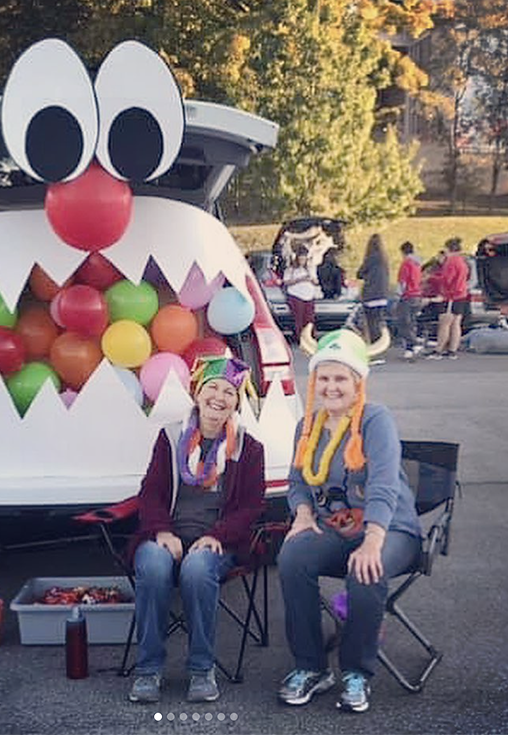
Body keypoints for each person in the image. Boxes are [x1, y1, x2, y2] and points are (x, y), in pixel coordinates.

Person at [276, 329, 421, 714]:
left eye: (340, 378)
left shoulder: (376, 420)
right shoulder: (306, 425)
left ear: (357, 383)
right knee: (293, 557)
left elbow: (384, 484)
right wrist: (303, 514)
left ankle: (356, 672)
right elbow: (297, 483)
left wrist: (373, 539)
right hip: (337, 526)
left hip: (391, 528)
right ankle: (310, 666)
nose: (331, 386)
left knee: (366, 568)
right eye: (324, 377)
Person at [127, 356, 265, 705]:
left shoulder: (248, 449)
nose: (219, 397)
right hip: (166, 535)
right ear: (197, 393)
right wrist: (161, 531)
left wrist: (217, 536)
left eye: (229, 392)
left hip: (217, 540)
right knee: (155, 566)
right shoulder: (171, 437)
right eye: (212, 387)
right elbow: (151, 492)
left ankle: (202, 669)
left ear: (238, 401)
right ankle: (148, 670)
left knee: (197, 568)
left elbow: (251, 506)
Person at [426, 237, 469, 360]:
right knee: (456, 323)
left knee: (444, 323)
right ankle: (452, 350)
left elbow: (447, 280)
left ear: (448, 248)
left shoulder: (451, 261)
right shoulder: (462, 261)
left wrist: (431, 278)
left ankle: (438, 350)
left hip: (451, 295)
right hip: (461, 295)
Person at [356, 234, 389, 344]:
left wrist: (366, 276)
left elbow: (359, 273)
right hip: (383, 294)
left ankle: (374, 344)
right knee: (379, 320)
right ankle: (380, 342)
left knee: (371, 322)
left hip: (371, 295)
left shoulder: (371, 258)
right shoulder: (384, 259)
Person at [282, 245, 318, 342]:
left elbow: (316, 281)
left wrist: (311, 278)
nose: (302, 261)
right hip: (296, 295)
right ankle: (300, 337)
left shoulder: (311, 268)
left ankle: (310, 337)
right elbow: (286, 282)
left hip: (309, 295)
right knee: (299, 318)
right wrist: (300, 279)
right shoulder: (291, 269)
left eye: (304, 259)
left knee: (309, 318)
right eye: (301, 259)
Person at [395, 242, 423, 360]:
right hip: (417, 295)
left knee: (403, 322)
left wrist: (398, 295)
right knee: (411, 322)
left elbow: (403, 282)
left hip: (407, 296)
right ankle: (410, 349)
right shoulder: (417, 263)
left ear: (402, 252)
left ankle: (414, 343)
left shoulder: (406, 263)